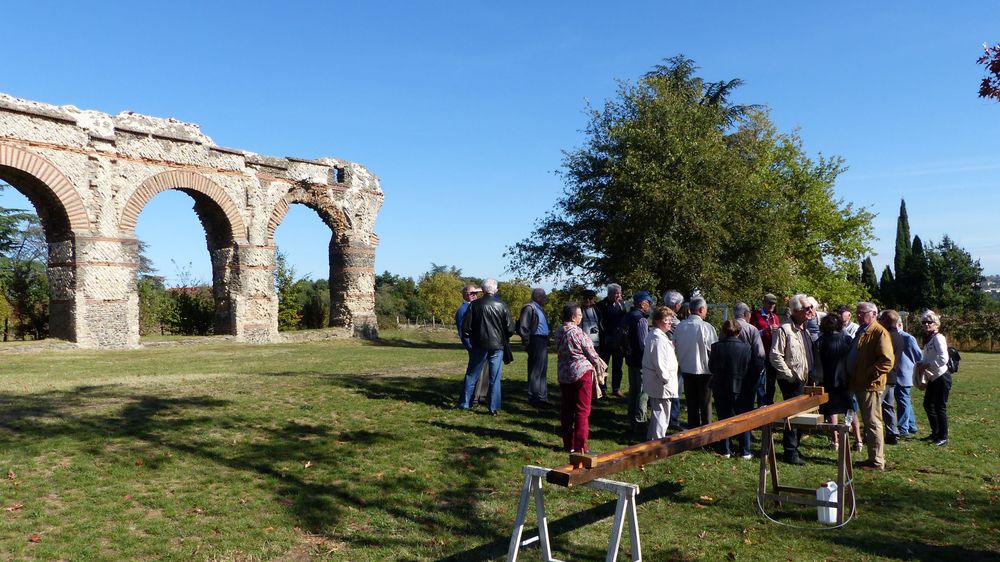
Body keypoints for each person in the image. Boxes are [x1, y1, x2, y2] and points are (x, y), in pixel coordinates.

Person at [848, 301, 895, 471]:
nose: (859, 316)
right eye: (858, 313)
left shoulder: (879, 332)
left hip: (870, 385)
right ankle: (873, 458)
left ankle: (876, 461)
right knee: (869, 423)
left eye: (863, 313)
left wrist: (869, 374)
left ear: (874, 314)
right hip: (860, 383)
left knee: (873, 423)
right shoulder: (863, 330)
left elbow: (887, 361)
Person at [769, 293, 814, 465]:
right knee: (793, 416)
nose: (810, 310)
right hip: (792, 381)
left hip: (804, 379)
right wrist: (789, 375)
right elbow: (775, 355)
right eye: (807, 308)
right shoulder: (785, 330)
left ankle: (795, 447)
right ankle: (790, 451)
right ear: (796, 311)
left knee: (801, 415)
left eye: (811, 307)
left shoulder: (805, 329)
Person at [459, 278, 515, 414]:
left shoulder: (474, 305)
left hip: (479, 345)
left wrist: (473, 339)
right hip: (497, 345)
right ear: (495, 290)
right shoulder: (502, 305)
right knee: (494, 378)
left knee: (472, 375)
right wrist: (502, 337)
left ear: (482, 290)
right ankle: (493, 407)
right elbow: (510, 329)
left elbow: (466, 328)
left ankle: (465, 403)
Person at [555, 302, 603, 454]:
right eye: (580, 315)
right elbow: (592, 355)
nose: (581, 318)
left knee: (567, 410)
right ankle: (581, 446)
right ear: (573, 317)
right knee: (582, 410)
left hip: (564, 373)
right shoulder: (579, 333)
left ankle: (568, 444)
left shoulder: (558, 332)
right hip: (581, 373)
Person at [814, 313, 860, 450]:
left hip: (828, 380)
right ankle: (858, 440)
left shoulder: (819, 342)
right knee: (851, 409)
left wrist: (818, 379)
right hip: (846, 380)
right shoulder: (847, 339)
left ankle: (835, 441)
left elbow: (817, 365)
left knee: (831, 410)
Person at [673, 297, 718, 429]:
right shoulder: (707, 327)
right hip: (704, 370)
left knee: (691, 404)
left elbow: (675, 346)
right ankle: (706, 431)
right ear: (701, 309)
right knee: (705, 404)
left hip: (686, 369)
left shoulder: (680, 326)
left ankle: (693, 429)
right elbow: (714, 349)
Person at [709, 319, 752, 458]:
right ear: (739, 332)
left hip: (720, 385)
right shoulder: (746, 348)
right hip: (740, 386)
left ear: (723, 331)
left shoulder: (716, 347)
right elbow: (749, 367)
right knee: (743, 418)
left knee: (723, 417)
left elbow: (711, 367)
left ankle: (725, 448)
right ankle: (745, 450)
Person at [642, 306, 679, 440]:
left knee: (659, 412)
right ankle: (658, 441)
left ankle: (652, 438)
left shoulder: (659, 336)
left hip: (659, 381)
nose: (670, 322)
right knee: (662, 414)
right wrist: (666, 379)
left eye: (670, 319)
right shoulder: (658, 338)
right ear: (658, 321)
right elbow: (659, 362)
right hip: (661, 382)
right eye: (666, 320)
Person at [915, 310, 951, 446]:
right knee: (928, 404)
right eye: (924, 322)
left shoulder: (938, 338)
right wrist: (921, 363)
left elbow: (943, 358)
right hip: (933, 377)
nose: (926, 324)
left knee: (939, 406)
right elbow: (928, 355)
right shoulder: (929, 338)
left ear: (936, 323)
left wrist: (928, 365)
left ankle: (943, 436)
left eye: (929, 322)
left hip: (941, 376)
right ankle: (935, 433)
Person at [883, 312, 923, 438]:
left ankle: (903, 428)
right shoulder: (890, 336)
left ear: (900, 325)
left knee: (902, 401)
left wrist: (911, 367)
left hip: (904, 374)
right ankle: (911, 425)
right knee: (904, 400)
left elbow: (918, 355)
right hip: (896, 373)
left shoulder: (908, 338)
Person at [624, 291, 655, 434]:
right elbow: (644, 345)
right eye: (649, 303)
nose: (650, 306)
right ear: (642, 304)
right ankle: (640, 423)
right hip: (641, 361)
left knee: (633, 391)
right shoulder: (641, 320)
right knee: (643, 393)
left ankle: (631, 421)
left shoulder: (628, 316)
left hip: (630, 359)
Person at [455, 284, 489, 404]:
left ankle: (479, 396)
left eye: (476, 293)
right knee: (472, 374)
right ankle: (466, 400)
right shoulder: (463, 310)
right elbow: (462, 332)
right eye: (472, 293)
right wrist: (470, 347)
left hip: (481, 345)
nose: (475, 296)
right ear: (465, 295)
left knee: (483, 371)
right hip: (474, 347)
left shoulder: (475, 307)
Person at [517, 288, 551, 407]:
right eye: (544, 296)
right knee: (535, 370)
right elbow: (523, 328)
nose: (546, 298)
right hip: (535, 341)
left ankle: (542, 398)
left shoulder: (539, 308)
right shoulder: (529, 308)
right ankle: (534, 398)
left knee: (542, 370)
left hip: (543, 341)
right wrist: (528, 343)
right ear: (538, 297)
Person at [596, 284, 627, 397]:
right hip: (606, 339)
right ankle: (603, 388)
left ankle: (616, 388)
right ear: (609, 293)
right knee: (604, 365)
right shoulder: (601, 305)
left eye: (619, 293)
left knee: (618, 365)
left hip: (619, 339)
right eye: (616, 293)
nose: (618, 295)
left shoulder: (622, 304)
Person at [751, 293, 781, 407]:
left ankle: (770, 401)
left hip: (772, 352)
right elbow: (753, 334)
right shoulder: (756, 316)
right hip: (760, 352)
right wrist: (765, 331)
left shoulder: (775, 317)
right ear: (764, 303)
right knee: (760, 379)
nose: (772, 305)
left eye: (774, 304)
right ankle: (762, 403)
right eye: (770, 303)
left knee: (771, 380)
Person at [662, 289, 686, 430]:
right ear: (676, 305)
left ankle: (666, 417)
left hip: (662, 357)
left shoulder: (660, 316)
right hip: (674, 358)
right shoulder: (675, 321)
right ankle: (673, 418)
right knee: (675, 388)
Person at [578, 290, 603, 391]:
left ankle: (595, 389)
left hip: (596, 344)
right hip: (583, 345)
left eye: (590, 298)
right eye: (585, 298)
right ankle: (584, 388)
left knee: (596, 367)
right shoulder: (579, 310)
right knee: (585, 368)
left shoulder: (597, 310)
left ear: (593, 299)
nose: (587, 300)